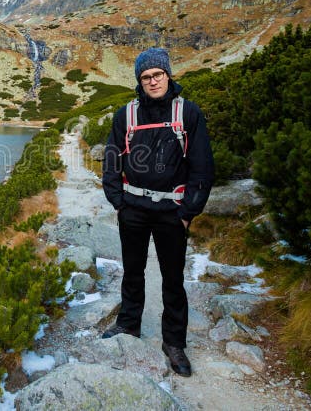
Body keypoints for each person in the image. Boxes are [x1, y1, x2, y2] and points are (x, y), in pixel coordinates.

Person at [101, 47, 214, 377]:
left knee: (173, 278)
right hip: (133, 209)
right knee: (132, 271)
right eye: (145, 77)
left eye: (157, 75)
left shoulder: (188, 113)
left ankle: (174, 341)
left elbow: (203, 167)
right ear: (139, 81)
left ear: (168, 75)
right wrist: (118, 203)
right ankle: (128, 325)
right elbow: (111, 160)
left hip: (172, 212)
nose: (152, 81)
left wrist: (187, 212)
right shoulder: (126, 115)